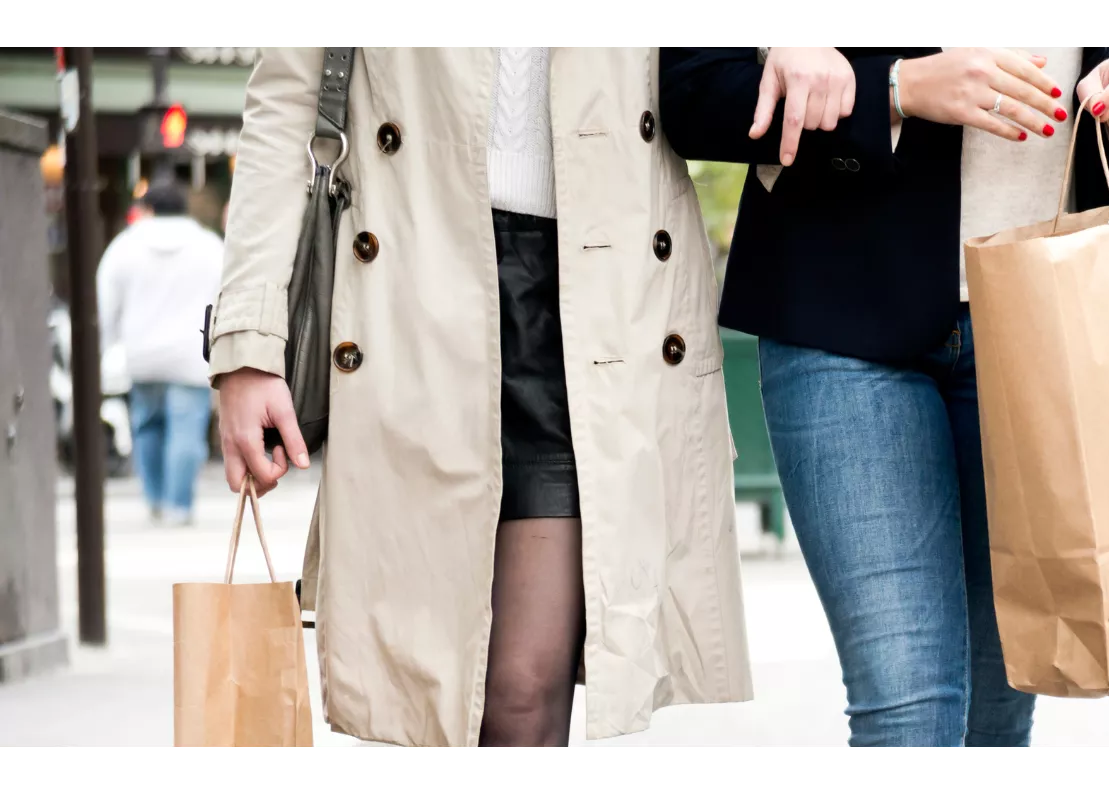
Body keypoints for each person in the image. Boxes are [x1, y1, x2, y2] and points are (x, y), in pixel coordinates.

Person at [208, 47, 751, 747]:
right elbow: (285, 104)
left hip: (591, 293)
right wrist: (247, 346)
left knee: (523, 691)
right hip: (414, 275)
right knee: (429, 688)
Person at [661, 45, 1109, 747]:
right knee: (909, 714)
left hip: (1044, 319)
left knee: (996, 717)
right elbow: (695, 90)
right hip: (843, 306)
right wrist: (894, 88)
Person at [97, 182, 222, 526]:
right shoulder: (209, 246)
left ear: (148, 209)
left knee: (148, 426)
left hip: (142, 353)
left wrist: (106, 347)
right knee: (186, 431)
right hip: (191, 355)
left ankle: (154, 498)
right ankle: (178, 506)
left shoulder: (125, 246)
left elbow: (106, 304)